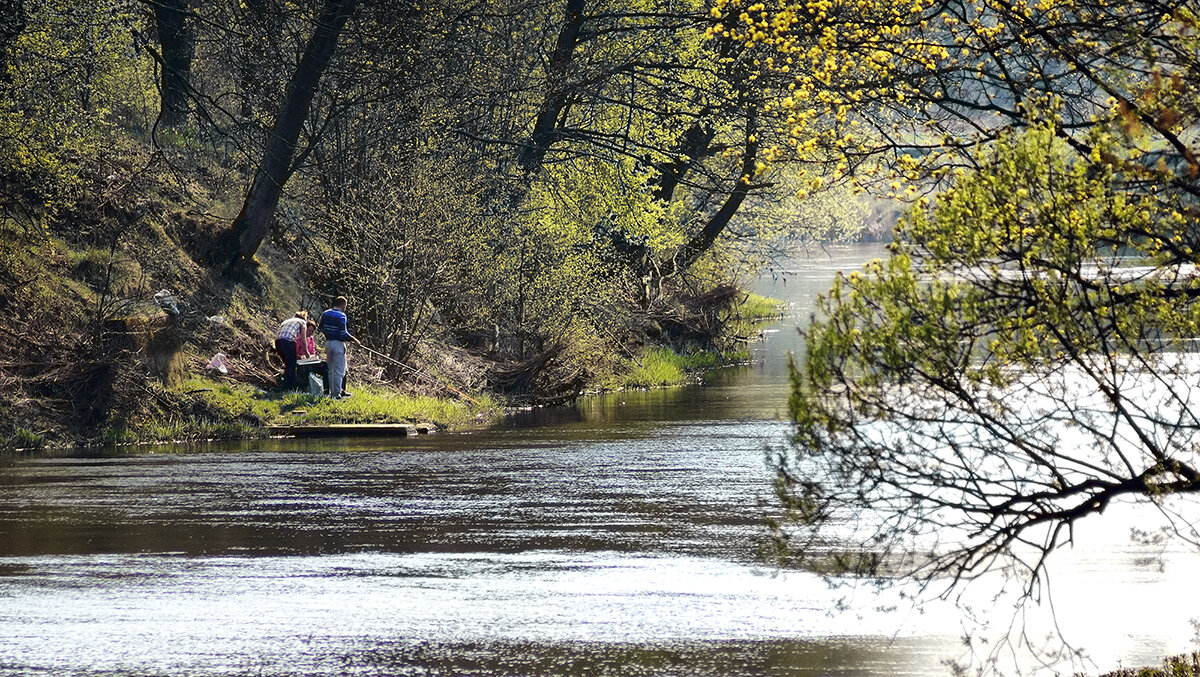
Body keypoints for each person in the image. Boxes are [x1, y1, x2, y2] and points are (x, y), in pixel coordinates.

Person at [319, 296, 360, 399]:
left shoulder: (325, 313)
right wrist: (354, 340)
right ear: (343, 305)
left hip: (328, 343)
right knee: (339, 370)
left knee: (331, 369)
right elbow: (343, 333)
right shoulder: (341, 315)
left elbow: (321, 328)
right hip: (338, 344)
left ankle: (331, 393)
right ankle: (336, 394)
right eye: (345, 306)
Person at [275, 311, 307, 387]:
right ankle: (291, 387)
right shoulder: (302, 322)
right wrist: (307, 352)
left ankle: (284, 385)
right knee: (292, 365)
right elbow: (303, 340)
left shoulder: (286, 321)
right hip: (288, 342)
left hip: (278, 342)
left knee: (287, 364)